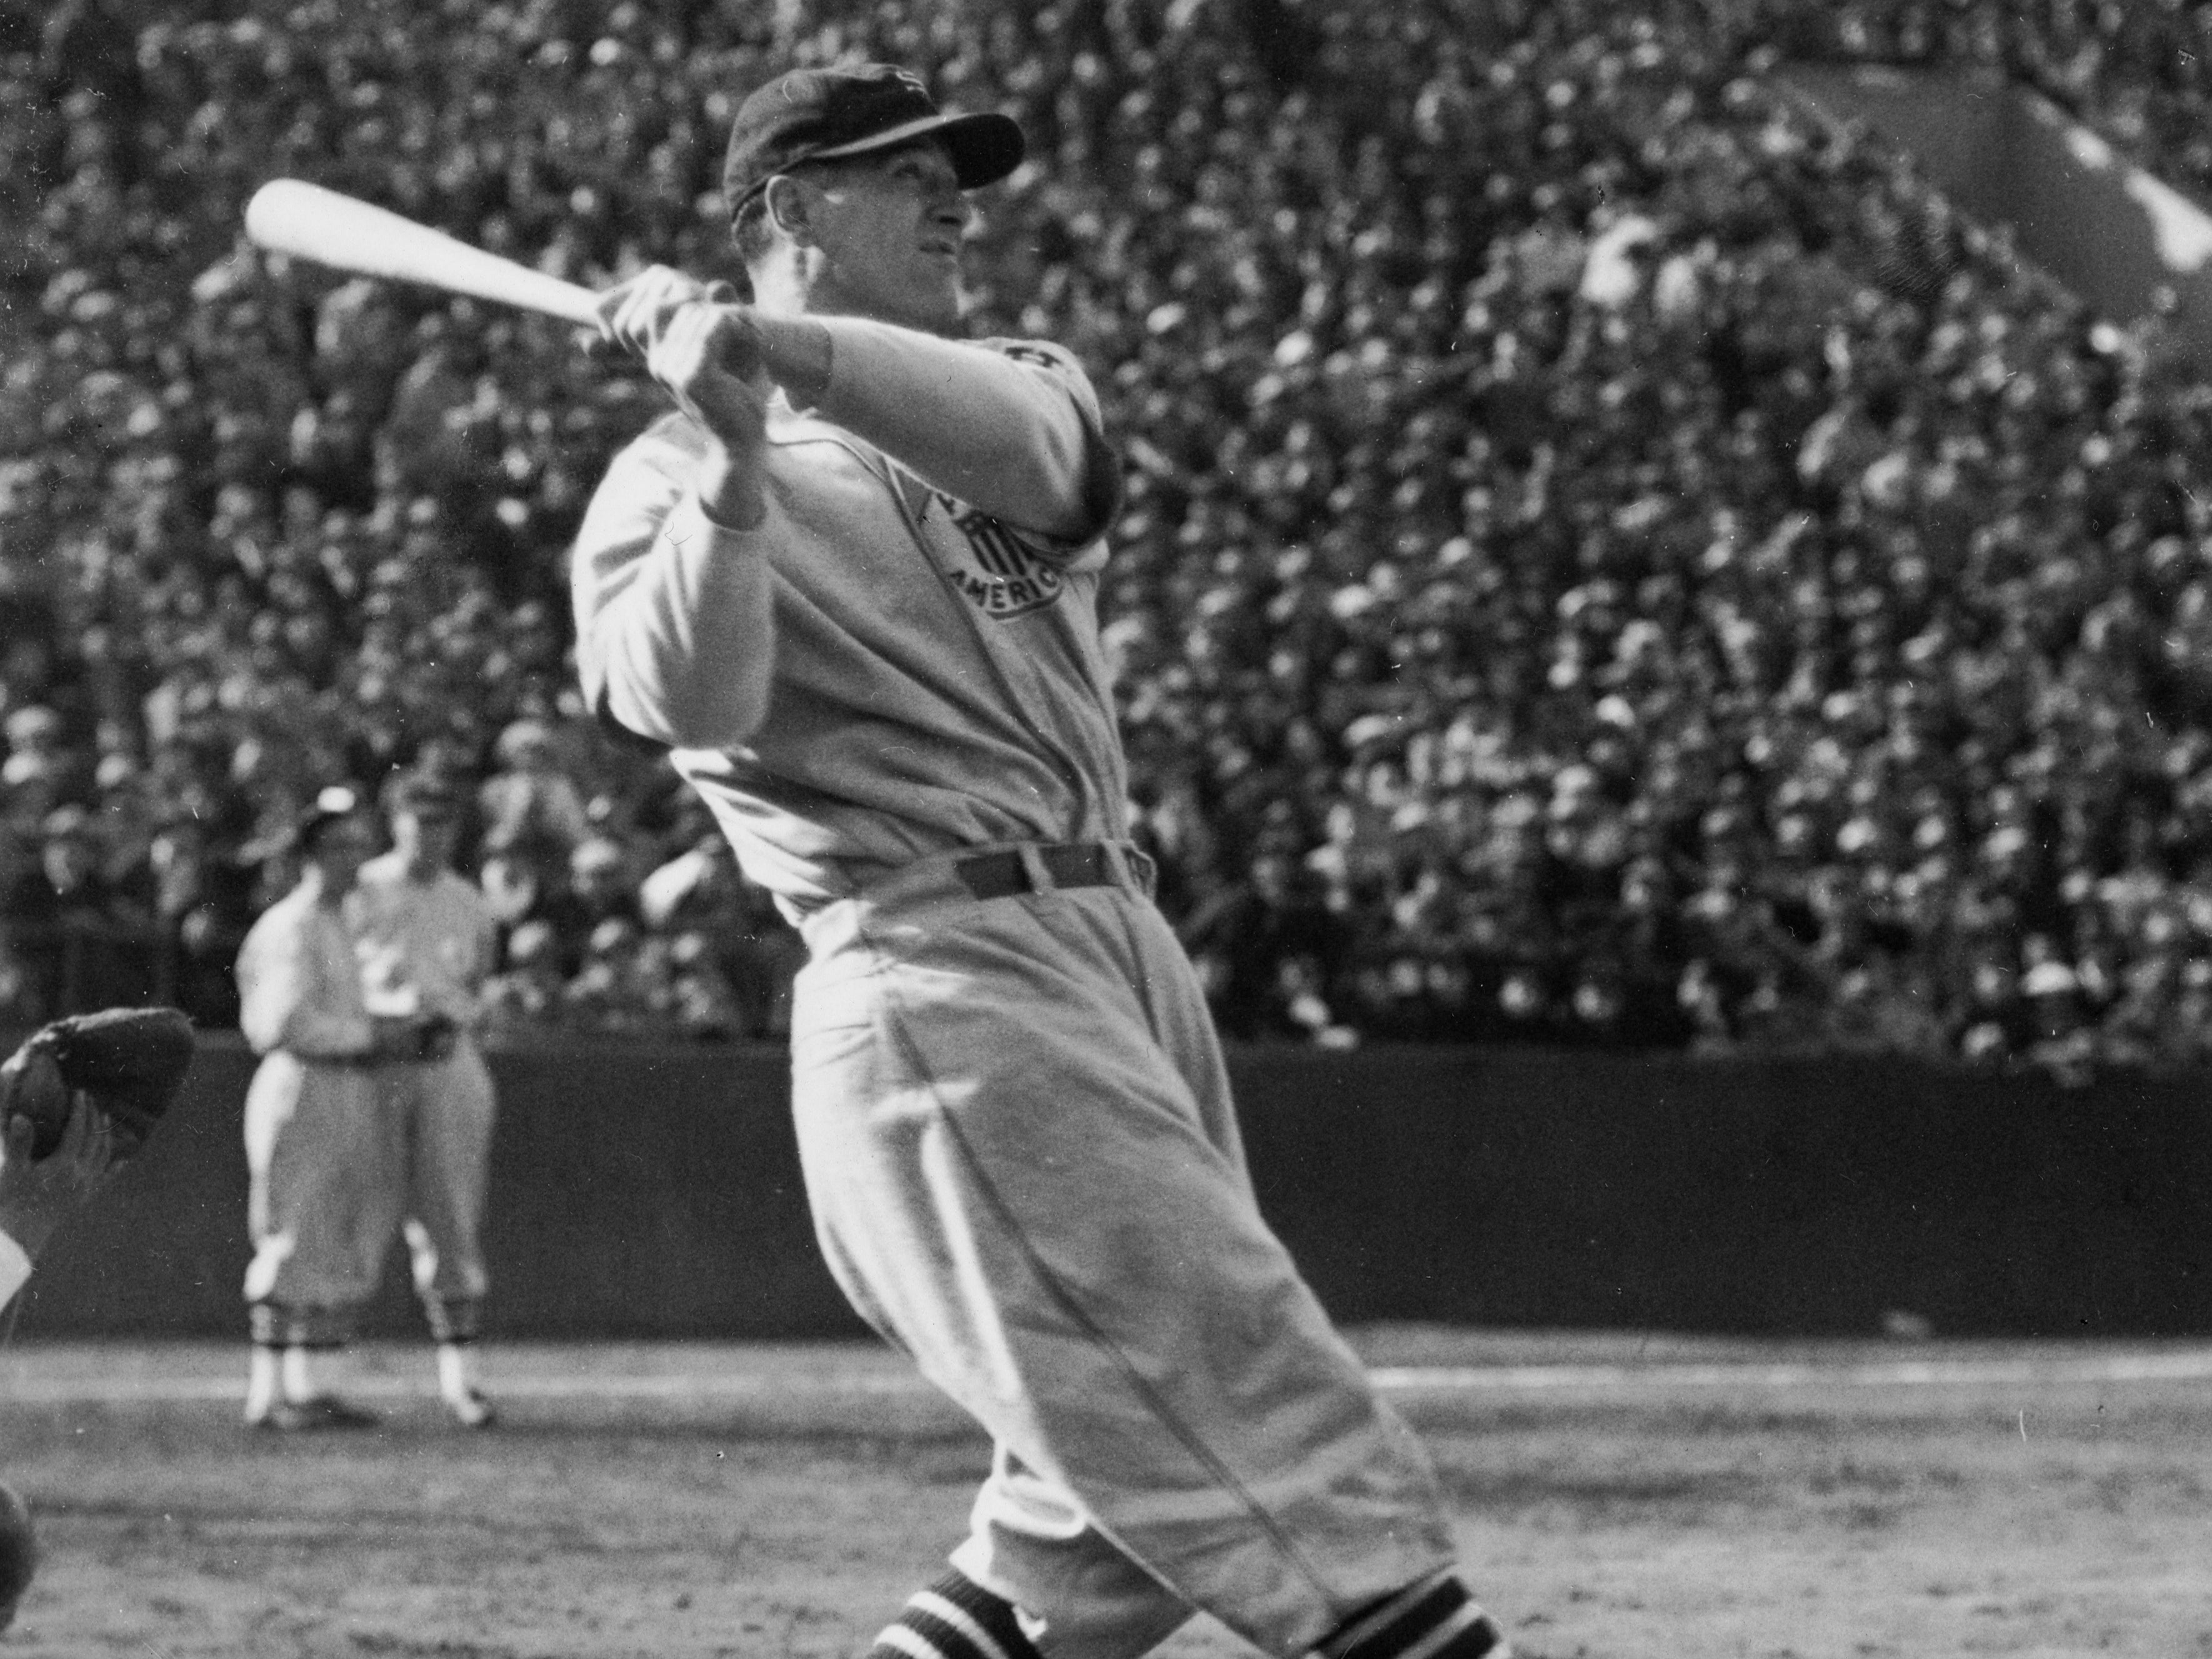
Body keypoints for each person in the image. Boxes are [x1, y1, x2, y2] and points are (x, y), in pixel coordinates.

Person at [576, 63, 1515, 1659]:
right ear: (790, 209)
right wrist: (730, 461)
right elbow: (689, 700)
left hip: (1113, 951)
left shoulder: (1003, 385)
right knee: (1274, 1445)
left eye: (960, 174)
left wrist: (772, 349)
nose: (958, 202)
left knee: (1099, 1532)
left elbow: (1044, 456)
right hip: (938, 972)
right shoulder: (658, 488)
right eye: (904, 174)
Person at [234, 784, 449, 1431]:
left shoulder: (336, 920)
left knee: (338, 1228)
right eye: (340, 845)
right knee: (292, 1226)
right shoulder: (292, 924)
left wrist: (393, 1027)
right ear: (311, 852)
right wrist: (376, 1035)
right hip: (303, 1081)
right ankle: (268, 1392)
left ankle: (310, 1385)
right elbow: (283, 1022)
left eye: (360, 843)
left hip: (347, 1081)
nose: (355, 856)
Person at [350, 769, 503, 1428]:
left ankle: (460, 1379)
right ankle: (308, 1373)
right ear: (396, 822)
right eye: (420, 819)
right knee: (352, 1205)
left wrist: (451, 1018)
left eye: (444, 820)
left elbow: (478, 981)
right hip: (374, 1058)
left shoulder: (468, 897)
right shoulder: (360, 888)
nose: (432, 832)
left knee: (450, 1211)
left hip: (446, 1057)